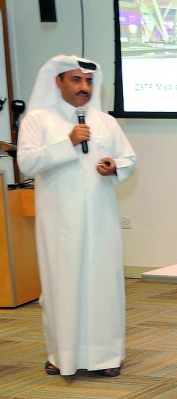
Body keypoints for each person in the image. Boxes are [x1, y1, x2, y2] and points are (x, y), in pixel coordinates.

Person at [17, 55, 136, 378]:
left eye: (89, 81)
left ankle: (106, 355)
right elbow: (26, 163)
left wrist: (115, 166)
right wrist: (68, 143)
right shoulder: (38, 120)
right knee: (62, 284)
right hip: (59, 223)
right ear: (58, 81)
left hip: (101, 220)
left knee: (103, 285)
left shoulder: (105, 121)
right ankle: (61, 355)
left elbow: (128, 158)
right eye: (76, 79)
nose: (84, 87)